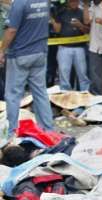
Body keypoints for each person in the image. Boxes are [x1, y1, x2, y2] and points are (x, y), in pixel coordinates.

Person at [0, 0, 54, 137]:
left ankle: (11, 133)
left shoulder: (20, 3)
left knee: (13, 95)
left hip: (19, 54)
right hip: (40, 52)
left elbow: (11, 30)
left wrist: (2, 51)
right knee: (40, 92)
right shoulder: (44, 2)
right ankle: (48, 130)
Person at [50, 0, 90, 91]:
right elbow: (57, 30)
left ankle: (85, 94)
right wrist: (53, 18)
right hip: (64, 48)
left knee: (83, 75)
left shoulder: (81, 12)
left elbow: (87, 31)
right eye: (72, 1)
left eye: (75, 1)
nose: (74, 3)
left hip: (79, 47)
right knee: (64, 76)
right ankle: (65, 96)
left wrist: (80, 25)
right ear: (68, 2)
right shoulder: (61, 12)